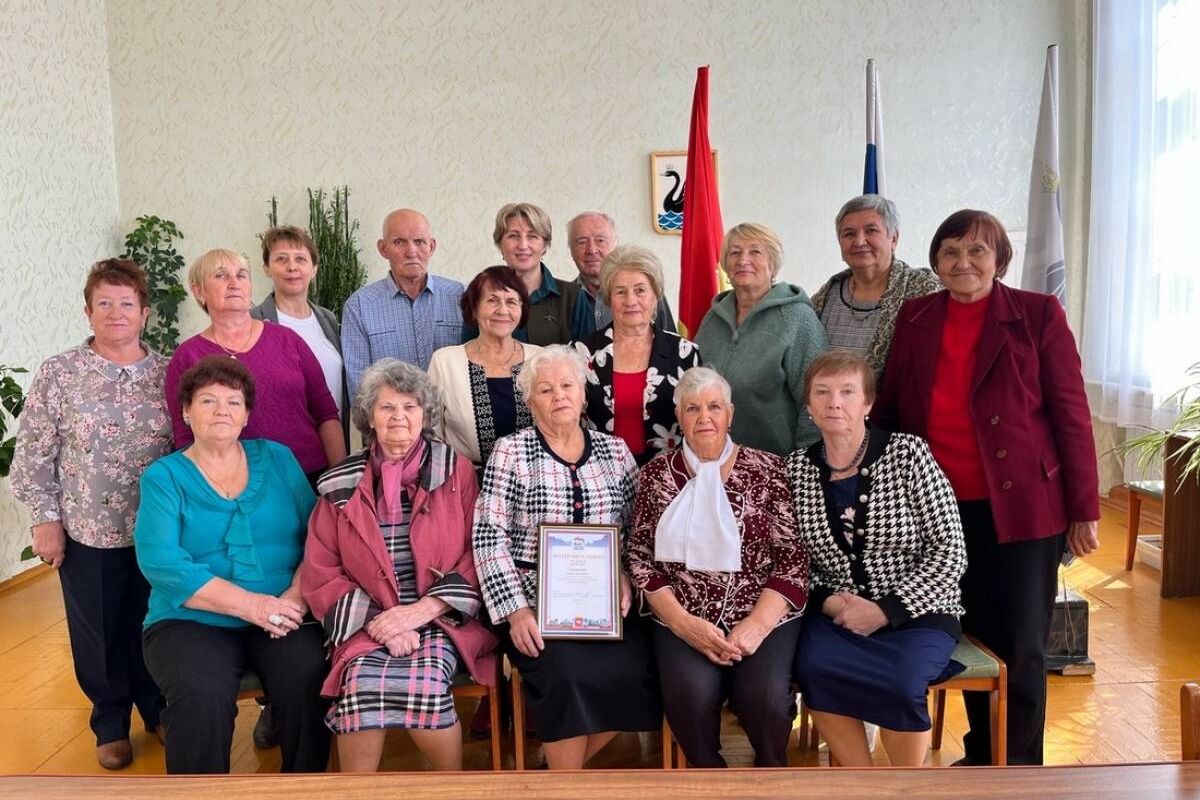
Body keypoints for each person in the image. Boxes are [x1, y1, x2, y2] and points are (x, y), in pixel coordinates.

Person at [874, 209, 1100, 766]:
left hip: (1023, 510)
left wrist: (1084, 508)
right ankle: (982, 755)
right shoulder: (916, 316)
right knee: (969, 640)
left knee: (1021, 647)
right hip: (936, 513)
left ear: (1000, 259)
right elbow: (895, 406)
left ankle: (1017, 770)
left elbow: (1072, 415)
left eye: (977, 251)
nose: (964, 262)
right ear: (936, 263)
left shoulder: (1038, 314)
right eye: (950, 252)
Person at [9, 259, 171, 770]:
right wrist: (45, 520)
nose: (116, 313)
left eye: (127, 303)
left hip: (159, 530)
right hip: (87, 531)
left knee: (154, 621)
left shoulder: (169, 372)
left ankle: (158, 708)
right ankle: (110, 723)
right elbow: (34, 452)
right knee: (99, 632)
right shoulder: (60, 373)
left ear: (145, 312)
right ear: (88, 311)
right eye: (105, 303)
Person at [134, 357, 330, 774]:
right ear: (186, 411)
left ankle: (304, 787)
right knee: (199, 691)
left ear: (246, 414)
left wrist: (294, 597)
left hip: (285, 608)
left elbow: (320, 535)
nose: (222, 410)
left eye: (233, 401)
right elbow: (162, 563)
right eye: (207, 400)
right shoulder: (163, 477)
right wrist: (253, 606)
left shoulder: (277, 458)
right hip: (190, 617)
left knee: (308, 675)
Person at [302, 359, 497, 772]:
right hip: (367, 622)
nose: (399, 417)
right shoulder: (339, 484)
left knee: (425, 684)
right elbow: (321, 570)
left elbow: (478, 550)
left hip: (440, 618)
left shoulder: (456, 471)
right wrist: (380, 624)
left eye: (410, 407)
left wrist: (421, 612)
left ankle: (451, 787)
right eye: (387, 407)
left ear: (424, 415)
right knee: (357, 685)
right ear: (369, 416)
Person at [472, 345, 661, 769]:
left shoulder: (614, 452)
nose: (558, 395)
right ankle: (566, 782)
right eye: (545, 388)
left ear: (582, 393)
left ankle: (552, 777)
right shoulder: (510, 452)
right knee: (566, 674)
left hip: (608, 605)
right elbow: (488, 536)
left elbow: (638, 531)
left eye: (566, 385)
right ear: (530, 400)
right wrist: (516, 612)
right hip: (535, 606)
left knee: (647, 670)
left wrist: (627, 577)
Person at [787, 351, 966, 767]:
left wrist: (886, 611)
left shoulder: (909, 454)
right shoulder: (796, 469)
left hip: (917, 611)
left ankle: (905, 788)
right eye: (823, 393)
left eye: (848, 392)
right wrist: (830, 602)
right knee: (814, 667)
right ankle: (861, 784)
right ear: (809, 407)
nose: (835, 402)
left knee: (903, 682)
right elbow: (792, 562)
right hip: (837, 614)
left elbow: (949, 550)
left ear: (867, 403)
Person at [627, 367, 808, 768]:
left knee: (766, 697)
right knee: (689, 693)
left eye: (714, 407)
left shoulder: (768, 469)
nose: (704, 417)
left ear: (730, 413)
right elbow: (639, 557)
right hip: (683, 617)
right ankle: (709, 777)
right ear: (679, 416)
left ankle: (770, 772)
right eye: (692, 408)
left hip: (764, 614)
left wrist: (758, 624)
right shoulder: (656, 475)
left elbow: (793, 556)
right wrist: (680, 621)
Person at [166, 248, 345, 484]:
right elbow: (185, 436)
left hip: (308, 478)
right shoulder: (187, 356)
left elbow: (326, 413)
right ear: (199, 291)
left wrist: (342, 482)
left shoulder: (287, 340)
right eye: (220, 275)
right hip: (232, 486)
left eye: (241, 275)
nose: (234, 283)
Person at [694, 223, 828, 457]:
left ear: (773, 265)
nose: (743, 260)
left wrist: (804, 461)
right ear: (725, 264)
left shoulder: (796, 318)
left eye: (755, 252)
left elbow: (817, 397)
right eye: (734, 252)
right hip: (713, 460)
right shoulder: (713, 317)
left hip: (775, 463)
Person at [575, 246, 701, 465]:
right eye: (620, 291)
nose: (630, 300)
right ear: (609, 298)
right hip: (599, 476)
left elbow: (698, 419)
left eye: (640, 290)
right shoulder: (581, 353)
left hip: (668, 476)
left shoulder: (686, 353)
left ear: (656, 295)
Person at [810, 195, 941, 380]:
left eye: (871, 230)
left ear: (893, 239)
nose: (859, 241)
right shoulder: (825, 297)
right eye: (849, 234)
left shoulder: (926, 291)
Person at [428, 266, 542, 469]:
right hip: (465, 485)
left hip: (534, 485)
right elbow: (431, 434)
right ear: (474, 309)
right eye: (492, 300)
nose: (503, 310)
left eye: (511, 301)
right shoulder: (445, 362)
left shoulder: (541, 359)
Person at [341, 209, 465, 395]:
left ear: (431, 246)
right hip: (395, 421)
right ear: (383, 249)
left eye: (419, 241)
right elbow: (359, 387)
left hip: (453, 420)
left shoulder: (460, 296)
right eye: (399, 242)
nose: (411, 252)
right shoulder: (359, 306)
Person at [251, 224, 349, 442]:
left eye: (300, 259)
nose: (292, 267)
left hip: (331, 443)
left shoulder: (328, 319)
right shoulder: (253, 321)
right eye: (281, 259)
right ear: (266, 268)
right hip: (283, 448)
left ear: (314, 269)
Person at [477, 202, 578, 346]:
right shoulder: (480, 295)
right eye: (513, 236)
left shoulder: (573, 297)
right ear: (500, 244)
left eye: (532, 236)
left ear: (545, 245)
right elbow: (468, 356)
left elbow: (585, 361)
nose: (523, 245)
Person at [565, 211, 675, 339]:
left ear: (615, 244)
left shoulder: (646, 293)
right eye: (582, 242)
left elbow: (670, 346)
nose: (592, 250)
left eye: (600, 240)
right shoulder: (564, 300)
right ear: (571, 250)